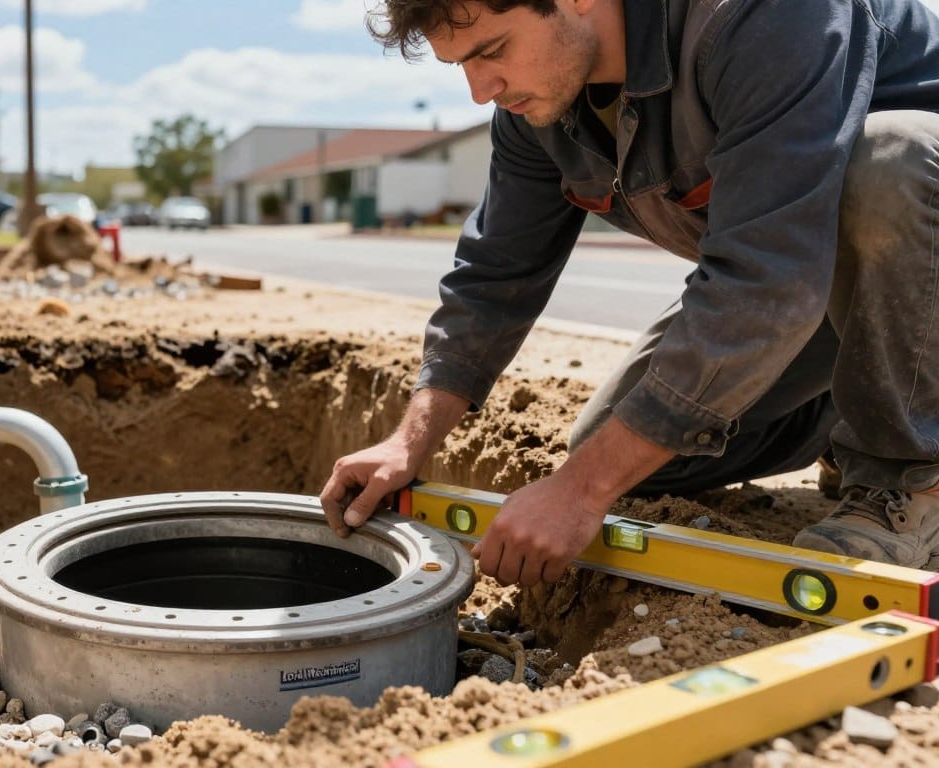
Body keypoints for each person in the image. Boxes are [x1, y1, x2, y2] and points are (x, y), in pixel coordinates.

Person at [320, 0, 939, 585]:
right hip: (827, 289)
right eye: (462, 66)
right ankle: (871, 408)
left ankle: (911, 479)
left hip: (901, 264)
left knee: (888, 162)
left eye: (494, 50)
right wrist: (409, 442)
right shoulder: (541, 106)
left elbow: (765, 277)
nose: (482, 90)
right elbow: (493, 277)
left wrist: (581, 492)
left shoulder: (759, 16)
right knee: (624, 450)